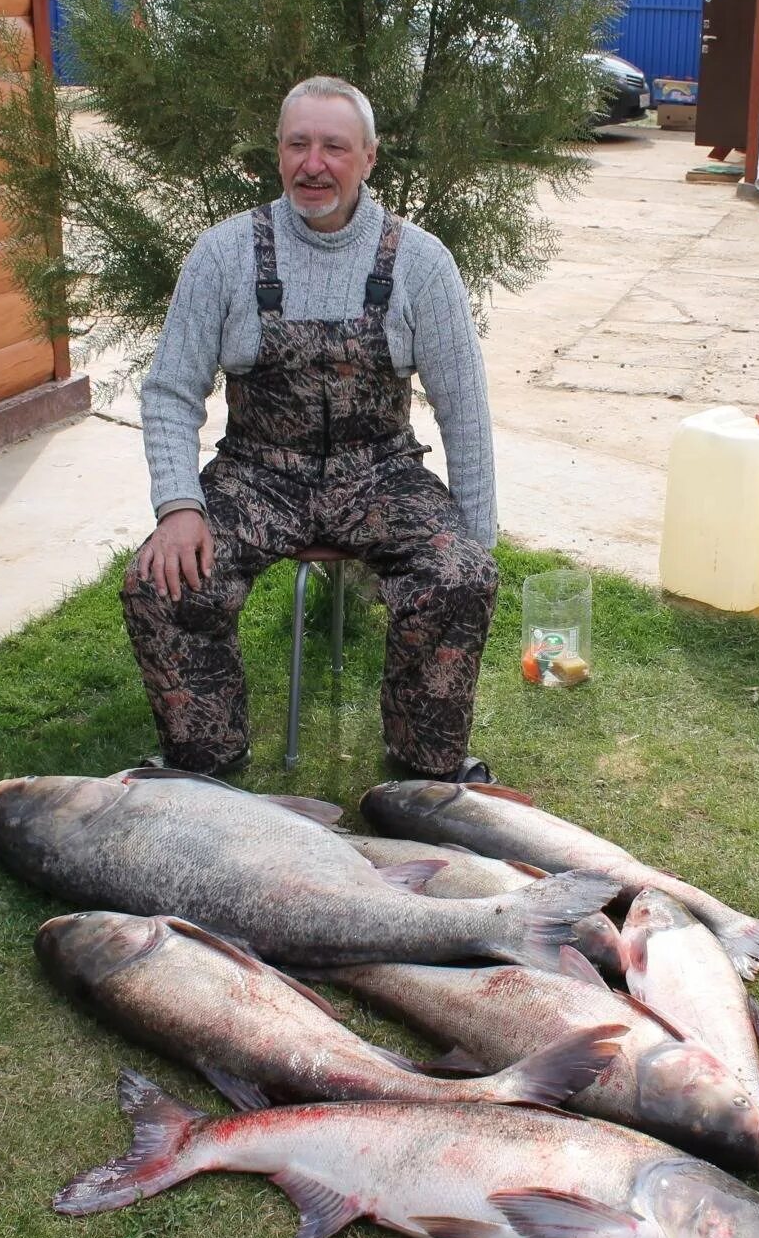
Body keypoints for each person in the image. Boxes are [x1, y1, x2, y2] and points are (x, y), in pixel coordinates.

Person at [121, 75, 499, 783]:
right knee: (161, 582)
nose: (313, 164)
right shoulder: (223, 254)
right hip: (256, 474)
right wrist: (178, 507)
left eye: (333, 146)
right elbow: (170, 391)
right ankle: (205, 768)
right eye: (298, 144)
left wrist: (477, 538)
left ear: (369, 158)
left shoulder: (420, 262)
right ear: (278, 153)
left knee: (459, 575)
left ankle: (425, 777)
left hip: (381, 473)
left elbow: (464, 408)